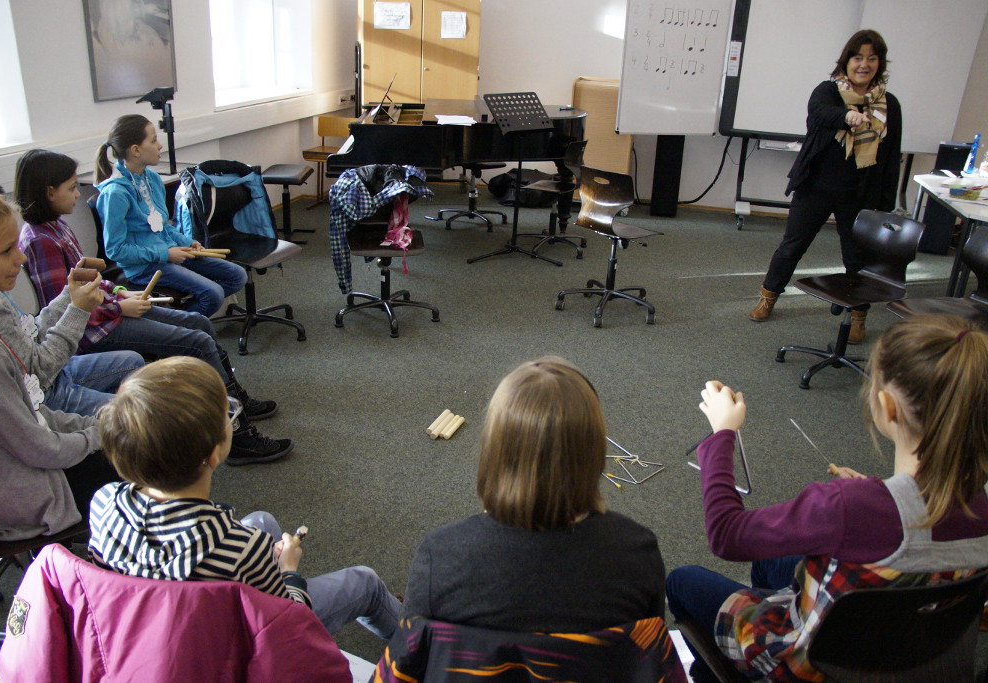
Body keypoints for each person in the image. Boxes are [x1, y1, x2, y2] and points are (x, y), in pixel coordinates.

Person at [666, 314, 988, 683]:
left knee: (682, 581)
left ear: (888, 407)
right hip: (911, 652)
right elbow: (918, 531)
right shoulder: (979, 503)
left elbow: (726, 535)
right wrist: (877, 489)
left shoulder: (845, 505)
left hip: (812, 667)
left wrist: (722, 433)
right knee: (772, 560)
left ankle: (737, 671)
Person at [89, 356, 403, 640]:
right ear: (214, 454)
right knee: (365, 583)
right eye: (226, 416)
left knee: (262, 522)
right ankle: (421, 649)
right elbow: (292, 620)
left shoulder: (103, 501)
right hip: (228, 644)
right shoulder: (241, 549)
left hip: (149, 626)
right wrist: (289, 572)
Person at [15, 149, 291, 464]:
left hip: (110, 311)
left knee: (200, 324)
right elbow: (68, 309)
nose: (77, 194)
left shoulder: (57, 226)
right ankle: (235, 436)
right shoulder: (40, 241)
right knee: (197, 341)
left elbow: (92, 282)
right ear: (50, 192)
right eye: (70, 188)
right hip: (95, 330)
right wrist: (119, 308)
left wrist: (120, 293)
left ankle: (234, 398)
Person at [402, 356, 666, 632]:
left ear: (494, 451)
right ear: (593, 451)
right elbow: (647, 647)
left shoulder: (442, 555)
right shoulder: (637, 551)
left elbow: (412, 649)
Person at [0, 186, 118, 541]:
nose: (20, 257)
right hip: (31, 500)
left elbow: (33, 414)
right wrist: (103, 434)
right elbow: (39, 446)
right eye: (6, 250)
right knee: (153, 456)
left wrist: (99, 425)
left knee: (136, 431)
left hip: (31, 469)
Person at [749, 29, 902, 345]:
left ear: (880, 63)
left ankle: (857, 316)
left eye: (872, 58)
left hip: (860, 193)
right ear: (846, 61)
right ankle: (768, 297)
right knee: (792, 247)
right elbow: (819, 114)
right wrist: (848, 116)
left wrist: (885, 204)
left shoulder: (889, 105)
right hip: (816, 185)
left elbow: (891, 155)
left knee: (856, 258)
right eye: (857, 57)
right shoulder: (828, 91)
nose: (864, 64)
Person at [0, 173, 144, 418]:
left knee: (133, 363)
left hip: (53, 375)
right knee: (142, 415)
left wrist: (70, 293)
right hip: (46, 391)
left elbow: (32, 336)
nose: (20, 257)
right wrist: (78, 310)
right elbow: (39, 371)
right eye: (6, 250)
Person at [94, 114, 247, 317]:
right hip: (144, 267)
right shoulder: (115, 193)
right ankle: (180, 324)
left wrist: (187, 241)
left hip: (168, 252)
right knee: (213, 294)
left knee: (237, 275)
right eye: (153, 140)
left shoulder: (152, 178)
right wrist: (165, 254)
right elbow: (116, 251)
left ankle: (177, 318)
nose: (159, 146)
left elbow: (161, 226)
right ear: (135, 150)